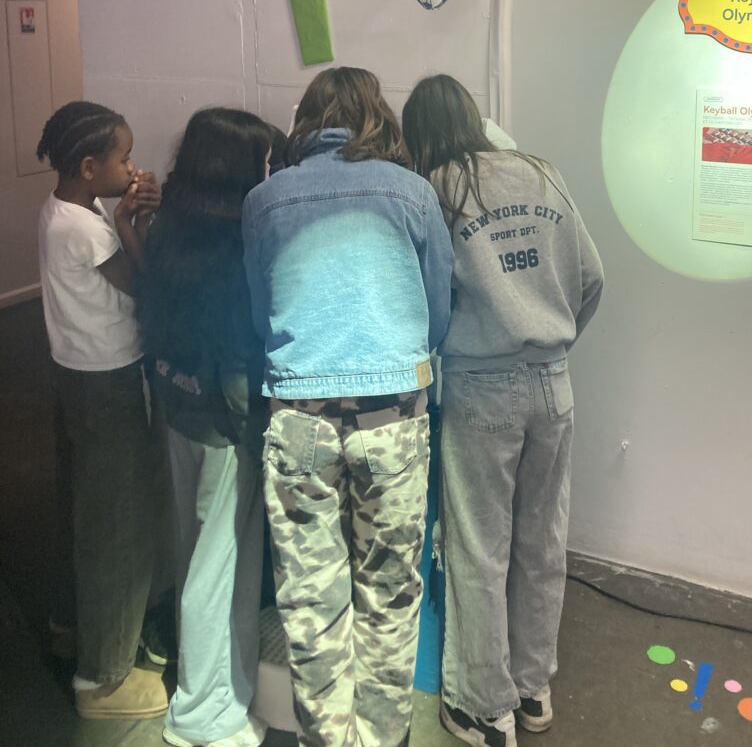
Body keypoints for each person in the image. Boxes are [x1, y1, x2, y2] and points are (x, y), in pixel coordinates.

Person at [242, 66, 454, 747]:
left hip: (298, 418)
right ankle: (384, 737)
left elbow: (259, 312)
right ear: (376, 114)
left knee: (311, 601)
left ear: (307, 119)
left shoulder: (264, 200)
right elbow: (438, 311)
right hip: (393, 417)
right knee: (390, 596)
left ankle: (328, 739)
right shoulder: (414, 193)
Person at [402, 75, 604, 747]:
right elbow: (593, 278)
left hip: (479, 386)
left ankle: (484, 709)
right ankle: (533, 688)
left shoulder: (437, 189)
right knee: (541, 542)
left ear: (419, 133)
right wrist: (551, 339)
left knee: (479, 551)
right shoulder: (543, 173)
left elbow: (429, 298)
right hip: (554, 382)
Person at [137, 108, 273, 747]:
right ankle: (204, 714)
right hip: (226, 427)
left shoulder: (170, 225)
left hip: (178, 411)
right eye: (263, 161)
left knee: (195, 555)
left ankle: (204, 694)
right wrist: (257, 435)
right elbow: (240, 356)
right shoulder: (239, 244)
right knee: (223, 566)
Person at [35, 100, 167, 720]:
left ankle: (71, 626)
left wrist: (116, 212)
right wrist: (130, 222)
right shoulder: (87, 228)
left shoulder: (61, 209)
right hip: (107, 383)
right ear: (89, 167)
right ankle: (104, 679)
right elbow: (140, 286)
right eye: (124, 158)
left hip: (74, 375)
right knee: (119, 523)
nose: (133, 167)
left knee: (87, 509)